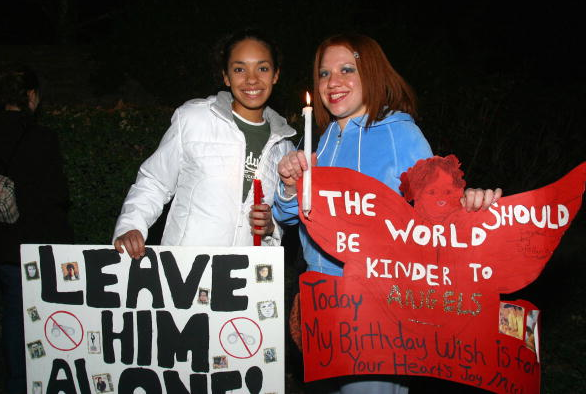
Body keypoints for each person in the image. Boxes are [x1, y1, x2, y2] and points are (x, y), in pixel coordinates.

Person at [273, 33, 502, 394]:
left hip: (378, 311)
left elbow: (442, 214)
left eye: (347, 69)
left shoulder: (401, 134)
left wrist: (471, 206)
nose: (333, 82)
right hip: (324, 306)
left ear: (372, 73)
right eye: (324, 73)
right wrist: (289, 186)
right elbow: (288, 216)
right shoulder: (323, 137)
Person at [113, 29, 295, 258]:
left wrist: (271, 228)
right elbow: (155, 182)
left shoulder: (284, 146)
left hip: (247, 278)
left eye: (263, 68)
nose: (251, 79)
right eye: (239, 69)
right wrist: (131, 226)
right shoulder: (193, 118)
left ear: (275, 75)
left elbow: (283, 217)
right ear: (226, 77)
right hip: (186, 272)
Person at [0, 63, 73, 393]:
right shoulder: (42, 138)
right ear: (31, 96)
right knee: (24, 317)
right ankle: (25, 383)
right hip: (27, 248)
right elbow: (56, 197)